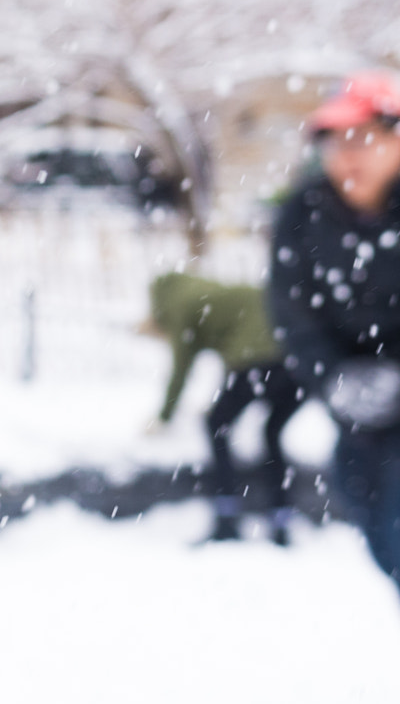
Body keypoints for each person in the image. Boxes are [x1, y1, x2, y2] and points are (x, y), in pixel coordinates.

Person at [270, 73, 400, 591]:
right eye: (335, 141)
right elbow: (292, 308)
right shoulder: (304, 212)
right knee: (373, 518)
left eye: (364, 138)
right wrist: (334, 377)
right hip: (357, 410)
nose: (349, 156)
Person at [148, 272, 303, 545]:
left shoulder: (181, 304)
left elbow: (181, 368)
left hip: (253, 365)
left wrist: (164, 417)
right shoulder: (220, 291)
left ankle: (227, 518)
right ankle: (281, 521)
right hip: (293, 363)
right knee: (272, 432)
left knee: (217, 426)